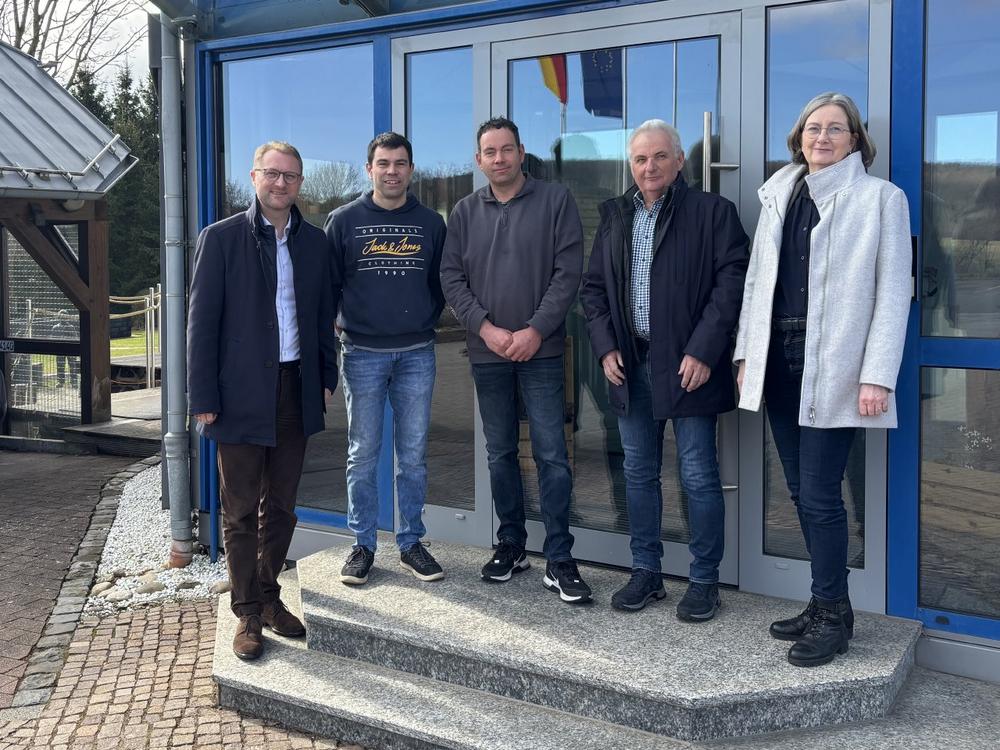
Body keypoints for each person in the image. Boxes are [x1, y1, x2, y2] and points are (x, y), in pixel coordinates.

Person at [734, 92, 911, 667]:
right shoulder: (779, 195)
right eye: (814, 128)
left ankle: (833, 617)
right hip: (779, 360)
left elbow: (893, 294)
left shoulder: (881, 199)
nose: (823, 138)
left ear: (855, 139)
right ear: (799, 137)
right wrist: (746, 354)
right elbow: (758, 284)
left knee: (819, 494)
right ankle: (827, 602)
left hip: (834, 365)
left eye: (836, 129)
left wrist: (877, 375)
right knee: (799, 491)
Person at [580, 119, 749, 618]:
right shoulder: (615, 215)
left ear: (679, 161)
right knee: (638, 472)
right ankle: (646, 573)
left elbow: (731, 285)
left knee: (697, 474)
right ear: (630, 165)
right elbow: (593, 290)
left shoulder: (712, 212)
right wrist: (605, 347)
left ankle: (704, 581)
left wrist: (704, 351)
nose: (649, 167)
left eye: (658, 156)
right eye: (639, 159)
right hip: (630, 363)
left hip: (689, 364)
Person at [188, 141, 339, 661]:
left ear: (300, 183)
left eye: (290, 176)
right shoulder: (221, 238)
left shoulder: (315, 244)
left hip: (296, 388)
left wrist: (326, 376)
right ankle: (247, 612)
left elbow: (322, 316)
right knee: (238, 510)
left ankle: (269, 594)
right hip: (238, 393)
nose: (281, 183)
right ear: (254, 177)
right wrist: (203, 395)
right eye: (272, 174)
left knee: (281, 506)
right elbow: (201, 324)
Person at [440, 116, 590, 604]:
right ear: (479, 159)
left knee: (551, 453)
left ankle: (560, 557)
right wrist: (485, 328)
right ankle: (512, 544)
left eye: (507, 149)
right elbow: (451, 278)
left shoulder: (555, 201)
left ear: (521, 153)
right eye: (490, 151)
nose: (499, 158)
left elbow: (568, 272)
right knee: (500, 452)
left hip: (541, 350)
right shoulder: (464, 211)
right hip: (487, 353)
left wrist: (535, 330)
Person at [325, 132, 447, 586]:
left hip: (417, 353)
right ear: (369, 169)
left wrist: (422, 319)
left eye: (399, 163)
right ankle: (363, 544)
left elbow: (441, 283)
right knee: (362, 453)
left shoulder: (431, 223)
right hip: (362, 354)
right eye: (383, 163)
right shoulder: (343, 221)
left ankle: (411, 542)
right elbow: (328, 285)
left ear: (410, 170)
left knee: (412, 456)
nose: (391, 171)